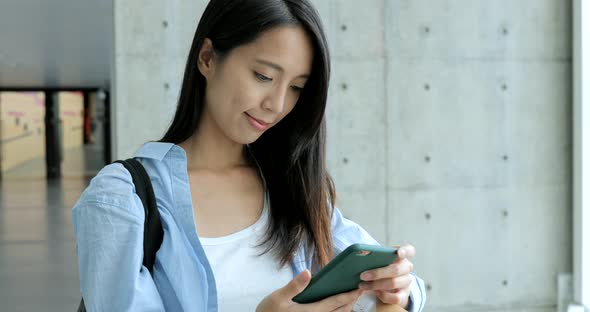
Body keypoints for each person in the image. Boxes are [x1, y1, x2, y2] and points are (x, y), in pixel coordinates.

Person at [71, 0, 426, 311]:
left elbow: (394, 284)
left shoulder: (292, 186)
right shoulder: (122, 200)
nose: (277, 104)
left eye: (297, 88)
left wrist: (399, 285)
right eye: (263, 76)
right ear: (208, 58)